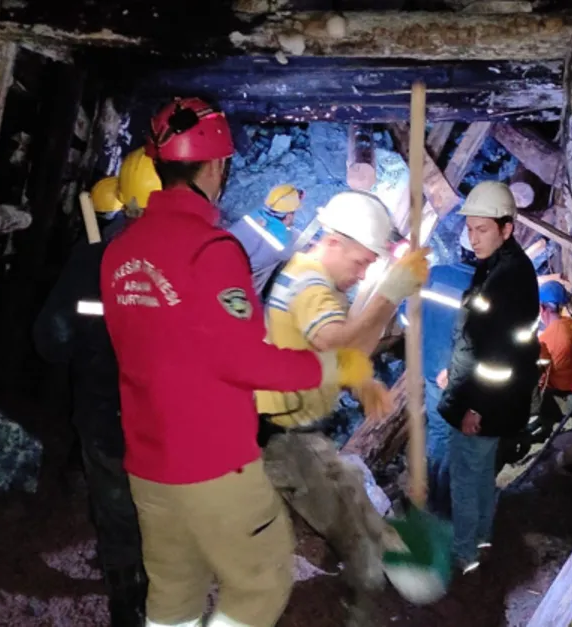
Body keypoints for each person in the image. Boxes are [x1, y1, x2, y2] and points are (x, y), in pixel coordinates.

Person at [99, 96, 380, 627]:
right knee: (261, 583)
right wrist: (331, 368)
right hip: (213, 465)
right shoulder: (213, 249)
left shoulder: (120, 253)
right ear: (215, 167)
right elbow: (245, 362)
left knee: (173, 594)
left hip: (148, 464)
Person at [255, 189, 428, 625]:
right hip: (285, 437)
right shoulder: (311, 285)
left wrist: (361, 380)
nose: (362, 272)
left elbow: (341, 350)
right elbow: (337, 340)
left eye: (370, 265)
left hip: (291, 429)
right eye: (360, 262)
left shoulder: (315, 279)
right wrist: (390, 293)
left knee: (349, 502)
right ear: (333, 242)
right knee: (354, 531)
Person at [31, 157, 163, 627]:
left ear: (125, 202)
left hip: (108, 421)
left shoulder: (92, 261)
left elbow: (51, 342)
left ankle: (129, 606)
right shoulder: (204, 260)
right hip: (173, 427)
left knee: (118, 513)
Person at [435, 181, 540, 573]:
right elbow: (480, 335)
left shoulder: (508, 278)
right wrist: (456, 370)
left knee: (466, 474)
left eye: (482, 229)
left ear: (506, 228)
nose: (473, 238)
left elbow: (498, 355)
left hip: (486, 399)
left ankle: (464, 555)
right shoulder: (498, 266)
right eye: (470, 229)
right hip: (487, 394)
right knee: (479, 472)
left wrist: (476, 406)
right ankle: (479, 538)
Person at [226, 184, 304, 296]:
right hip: (239, 294)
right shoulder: (284, 244)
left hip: (216, 271)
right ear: (289, 216)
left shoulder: (249, 218)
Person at [535, 280, 572, 432]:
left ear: (542, 308)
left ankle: (548, 425)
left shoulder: (544, 340)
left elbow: (542, 378)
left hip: (562, 393)